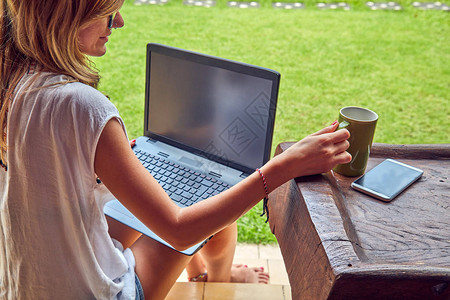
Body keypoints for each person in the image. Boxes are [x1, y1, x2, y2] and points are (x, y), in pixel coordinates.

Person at [0, 0, 351, 299]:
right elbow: (179, 229)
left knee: (200, 180)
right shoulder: (82, 106)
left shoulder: (10, 80)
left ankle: (212, 277)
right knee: (215, 191)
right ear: (66, 17)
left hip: (23, 282)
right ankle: (216, 279)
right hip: (94, 291)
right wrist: (284, 166)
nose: (119, 23)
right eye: (109, 14)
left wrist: (101, 163)